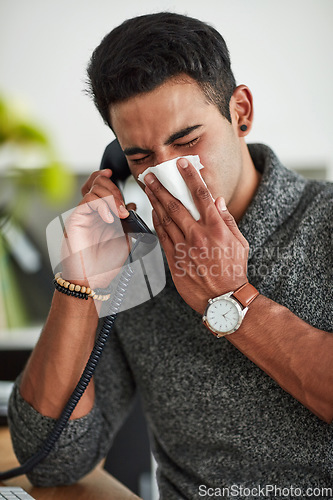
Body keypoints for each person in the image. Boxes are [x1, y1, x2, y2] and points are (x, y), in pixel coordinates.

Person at [8, 12, 333, 499]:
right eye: (139, 157)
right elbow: (53, 460)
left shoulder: (325, 222)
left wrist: (230, 296)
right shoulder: (136, 264)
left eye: (186, 141)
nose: (166, 173)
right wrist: (77, 284)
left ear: (240, 111)